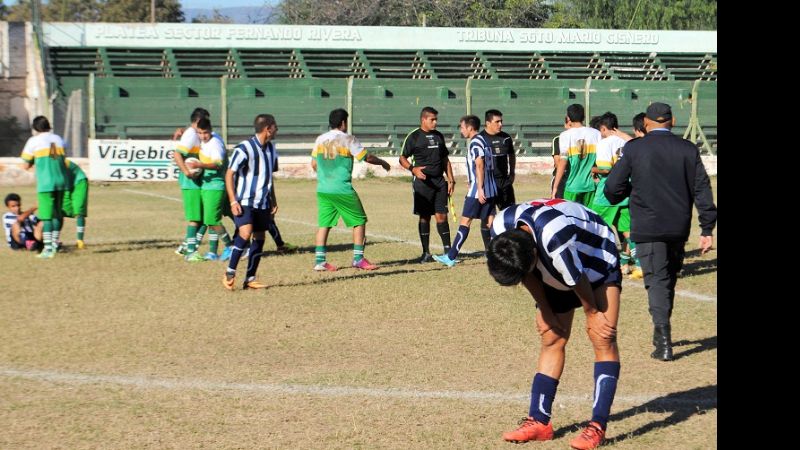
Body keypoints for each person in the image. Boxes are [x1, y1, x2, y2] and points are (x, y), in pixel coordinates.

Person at [487, 198, 622, 450]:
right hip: (557, 261)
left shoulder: (554, 238)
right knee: (552, 337)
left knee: (602, 336)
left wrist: (592, 312)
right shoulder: (499, 229)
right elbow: (526, 272)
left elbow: (576, 277)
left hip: (595, 255)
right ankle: (539, 421)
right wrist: (545, 309)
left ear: (534, 257)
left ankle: (597, 427)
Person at [604, 102, 717, 361]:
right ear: (673, 121)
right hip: (678, 226)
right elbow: (702, 189)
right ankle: (661, 333)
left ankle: (663, 339)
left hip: (647, 226)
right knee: (668, 280)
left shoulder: (634, 149)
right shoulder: (688, 149)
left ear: (645, 122)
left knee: (657, 280)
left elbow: (613, 187)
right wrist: (707, 227)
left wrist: (625, 193)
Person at [310, 108, 391, 271]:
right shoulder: (348, 139)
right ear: (343, 123)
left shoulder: (320, 139)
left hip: (323, 189)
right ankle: (358, 259)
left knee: (324, 224)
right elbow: (365, 157)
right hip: (342, 189)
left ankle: (320, 261)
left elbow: (313, 164)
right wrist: (382, 162)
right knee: (359, 220)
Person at [222, 114, 280, 290]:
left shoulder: (272, 149)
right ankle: (230, 272)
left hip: (262, 202)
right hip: (245, 200)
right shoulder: (244, 148)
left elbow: (269, 177)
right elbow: (229, 174)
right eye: (275, 126)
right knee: (245, 233)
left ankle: (250, 278)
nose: (277, 129)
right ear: (267, 128)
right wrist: (233, 201)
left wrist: (273, 200)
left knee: (260, 237)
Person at [433, 115, 496, 267]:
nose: (461, 130)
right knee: (490, 222)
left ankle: (451, 256)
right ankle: (497, 255)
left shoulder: (475, 143)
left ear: (469, 127)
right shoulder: (485, 141)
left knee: (465, 221)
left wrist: (479, 188)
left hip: (479, 190)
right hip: (491, 188)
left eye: (462, 127)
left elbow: (479, 165)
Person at [399, 106, 456, 263]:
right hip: (422, 183)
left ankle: (448, 253)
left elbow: (445, 159)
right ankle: (426, 253)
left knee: (442, 216)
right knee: (425, 217)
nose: (435, 122)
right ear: (423, 119)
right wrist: (413, 169)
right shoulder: (414, 136)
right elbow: (402, 158)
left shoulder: (438, 136)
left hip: (439, 182)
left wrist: (451, 179)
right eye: (432, 119)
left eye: (436, 119)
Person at [590, 112, 642, 279]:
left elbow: (606, 169)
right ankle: (629, 264)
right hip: (627, 190)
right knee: (627, 230)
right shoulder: (627, 141)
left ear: (604, 128)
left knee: (593, 224)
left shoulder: (605, 143)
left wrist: (593, 170)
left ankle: (593, 261)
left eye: (601, 130)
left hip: (608, 192)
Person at [19, 115, 71, 259]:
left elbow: (25, 164)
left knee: (46, 216)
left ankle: (48, 249)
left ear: (35, 128)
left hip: (46, 183)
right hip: (61, 181)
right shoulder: (58, 139)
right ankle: (54, 243)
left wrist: (33, 165)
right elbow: (56, 157)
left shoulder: (33, 141)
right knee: (58, 214)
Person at [186, 118, 235, 262]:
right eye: (200, 133)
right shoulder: (202, 141)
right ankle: (217, 251)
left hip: (215, 186)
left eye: (205, 133)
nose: (202, 136)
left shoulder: (215, 144)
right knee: (209, 220)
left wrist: (200, 165)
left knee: (213, 221)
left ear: (210, 130)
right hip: (206, 186)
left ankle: (230, 246)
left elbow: (218, 164)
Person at [174, 108, 210, 261]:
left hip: (197, 180)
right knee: (196, 218)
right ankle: (190, 253)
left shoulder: (193, 134)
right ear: (197, 122)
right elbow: (177, 154)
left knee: (204, 217)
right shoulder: (190, 135)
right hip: (190, 182)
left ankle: (185, 247)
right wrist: (187, 172)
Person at [551, 104, 601, 206]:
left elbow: (563, 162)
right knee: (590, 218)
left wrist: (555, 186)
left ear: (568, 118)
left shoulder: (565, 135)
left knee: (572, 218)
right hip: (591, 186)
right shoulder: (596, 133)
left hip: (572, 187)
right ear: (583, 117)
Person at [478, 109, 515, 210]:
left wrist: (512, 173)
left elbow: (511, 155)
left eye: (501, 121)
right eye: (497, 122)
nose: (500, 124)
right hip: (488, 183)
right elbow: (477, 164)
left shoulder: (506, 138)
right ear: (488, 123)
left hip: (504, 181)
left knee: (509, 214)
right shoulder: (480, 139)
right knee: (488, 216)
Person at [61, 158, 89, 250]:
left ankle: (80, 241)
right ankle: (54, 240)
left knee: (79, 210)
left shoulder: (58, 160)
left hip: (78, 181)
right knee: (59, 211)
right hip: (66, 185)